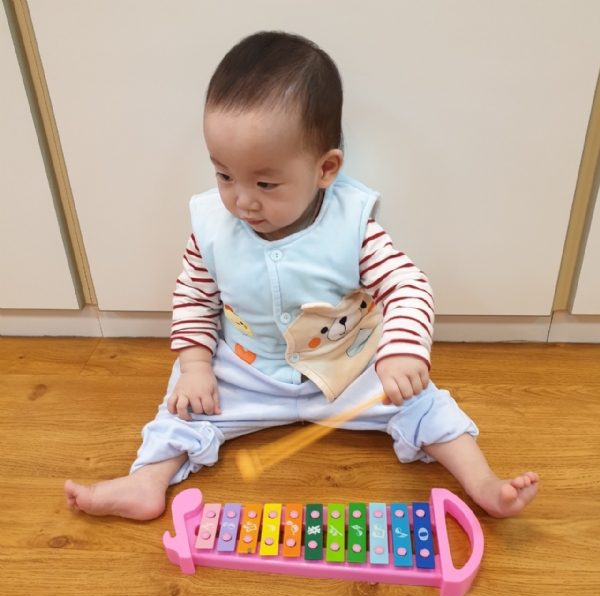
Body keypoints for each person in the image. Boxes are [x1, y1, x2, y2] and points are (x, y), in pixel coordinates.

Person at [65, 31, 538, 521]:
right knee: (181, 408)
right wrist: (196, 367)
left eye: (265, 183)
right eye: (224, 175)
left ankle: (483, 482)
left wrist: (401, 351)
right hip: (246, 372)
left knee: (419, 403)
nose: (241, 200)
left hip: (345, 367)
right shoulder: (212, 228)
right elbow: (193, 297)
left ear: (325, 168)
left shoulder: (352, 226)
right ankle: (146, 482)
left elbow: (407, 285)